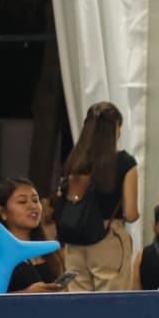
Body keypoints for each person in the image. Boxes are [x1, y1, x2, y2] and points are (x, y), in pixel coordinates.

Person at [56, 101, 139, 292]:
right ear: (114, 128)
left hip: (75, 239)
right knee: (111, 302)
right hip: (107, 236)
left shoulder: (74, 162)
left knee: (79, 301)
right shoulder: (124, 162)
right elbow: (130, 213)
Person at [0, 177, 66, 294]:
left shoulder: (48, 249)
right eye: (22, 202)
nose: (33, 206)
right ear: (2, 212)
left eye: (35, 200)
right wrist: (25, 294)